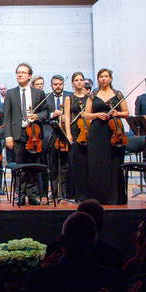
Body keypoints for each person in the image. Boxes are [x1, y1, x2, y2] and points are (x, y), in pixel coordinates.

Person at [3, 63, 49, 205]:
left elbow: (46, 112)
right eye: (18, 72)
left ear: (29, 76)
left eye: (23, 72)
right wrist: (8, 136)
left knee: (32, 166)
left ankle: (32, 195)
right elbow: (7, 117)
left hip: (33, 135)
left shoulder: (38, 93)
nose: (20, 74)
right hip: (17, 134)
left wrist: (38, 116)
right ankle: (20, 195)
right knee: (20, 167)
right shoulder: (10, 93)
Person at [82, 68, 128, 205]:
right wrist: (97, 115)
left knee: (114, 162)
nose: (103, 78)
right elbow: (86, 114)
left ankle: (114, 197)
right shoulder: (93, 94)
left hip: (114, 131)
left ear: (110, 78)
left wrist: (117, 114)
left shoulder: (117, 94)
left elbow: (126, 112)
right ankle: (98, 197)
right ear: (98, 79)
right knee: (97, 163)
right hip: (97, 131)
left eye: (106, 76)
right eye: (101, 76)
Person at [66, 72, 91, 201]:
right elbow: (67, 117)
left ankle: (88, 192)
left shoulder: (90, 98)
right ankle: (77, 193)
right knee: (76, 162)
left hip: (88, 131)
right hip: (75, 130)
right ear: (72, 83)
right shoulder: (69, 98)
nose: (79, 82)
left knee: (88, 162)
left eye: (81, 79)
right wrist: (68, 133)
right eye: (76, 80)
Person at [44, 75, 70, 200]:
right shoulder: (46, 97)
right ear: (51, 85)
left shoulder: (69, 96)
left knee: (66, 165)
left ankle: (64, 192)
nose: (58, 86)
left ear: (63, 84)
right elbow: (43, 114)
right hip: (52, 134)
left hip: (66, 133)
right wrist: (52, 114)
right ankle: (54, 192)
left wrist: (67, 116)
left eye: (60, 84)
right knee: (53, 165)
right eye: (55, 84)